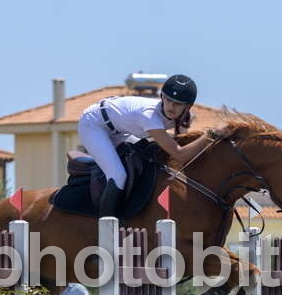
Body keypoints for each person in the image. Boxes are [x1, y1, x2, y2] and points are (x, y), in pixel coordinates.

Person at [77, 74, 236, 217]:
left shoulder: (186, 118)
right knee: (118, 174)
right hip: (94, 124)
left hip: (120, 130)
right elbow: (180, 154)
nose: (171, 106)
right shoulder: (149, 116)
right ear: (162, 97)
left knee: (147, 159)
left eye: (178, 104)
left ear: (187, 107)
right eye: (168, 100)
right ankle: (105, 227)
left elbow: (181, 149)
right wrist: (212, 135)